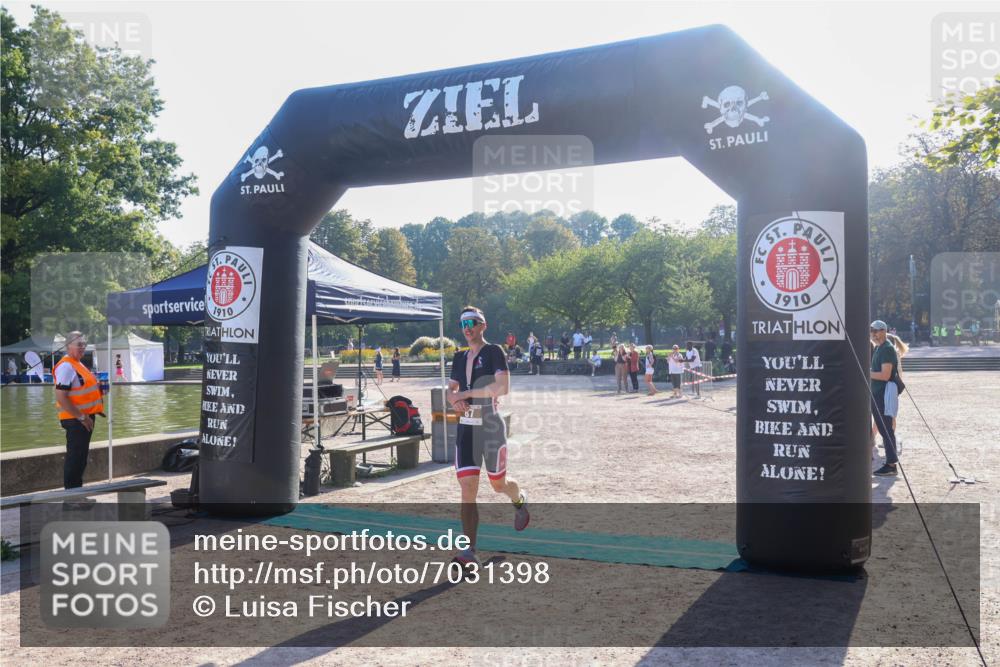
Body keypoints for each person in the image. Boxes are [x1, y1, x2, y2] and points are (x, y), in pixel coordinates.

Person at [447, 306, 529, 567]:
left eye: (472, 322)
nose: (467, 328)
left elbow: (502, 387)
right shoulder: (459, 358)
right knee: (468, 489)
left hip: (491, 426)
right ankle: (468, 551)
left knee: (498, 484)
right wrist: (455, 400)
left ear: (483, 325)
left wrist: (466, 395)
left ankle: (518, 500)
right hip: (466, 429)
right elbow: (451, 390)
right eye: (462, 324)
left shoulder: (494, 351)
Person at [54, 332, 105, 490]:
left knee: (80, 458)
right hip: (76, 419)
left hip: (83, 418)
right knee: (75, 458)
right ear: (68, 345)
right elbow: (62, 397)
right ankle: (71, 500)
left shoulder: (78, 364)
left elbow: (81, 390)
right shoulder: (66, 366)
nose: (83, 347)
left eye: (84, 344)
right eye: (79, 344)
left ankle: (76, 494)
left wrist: (98, 392)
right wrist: (82, 417)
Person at [870, 320, 900, 476]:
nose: (874, 333)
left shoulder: (886, 349)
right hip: (877, 393)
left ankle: (891, 464)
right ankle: (890, 461)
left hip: (883, 394)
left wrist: (866, 372)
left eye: (877, 330)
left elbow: (885, 375)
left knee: (886, 429)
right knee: (883, 429)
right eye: (872, 331)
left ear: (884, 331)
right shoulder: (879, 348)